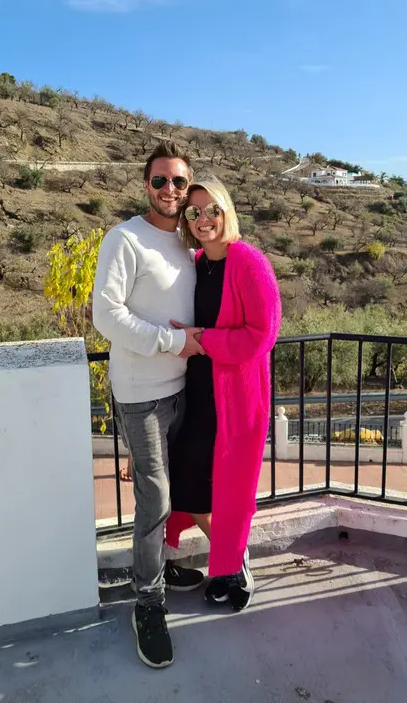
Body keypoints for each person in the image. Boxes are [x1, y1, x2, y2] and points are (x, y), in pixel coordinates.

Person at [92, 141, 205, 670]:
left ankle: (159, 567)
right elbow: (106, 315)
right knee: (154, 499)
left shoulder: (185, 242)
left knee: (174, 490)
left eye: (179, 181)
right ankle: (148, 603)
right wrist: (172, 341)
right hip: (141, 395)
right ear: (146, 185)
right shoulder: (125, 238)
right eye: (160, 180)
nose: (170, 190)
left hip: (183, 387)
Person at [166, 174, 282, 612]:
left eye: (212, 209)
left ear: (226, 211)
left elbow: (262, 334)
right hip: (197, 392)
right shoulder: (195, 263)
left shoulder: (249, 262)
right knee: (188, 481)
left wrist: (203, 339)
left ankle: (233, 566)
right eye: (194, 212)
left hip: (236, 397)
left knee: (231, 487)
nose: (204, 219)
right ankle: (233, 554)